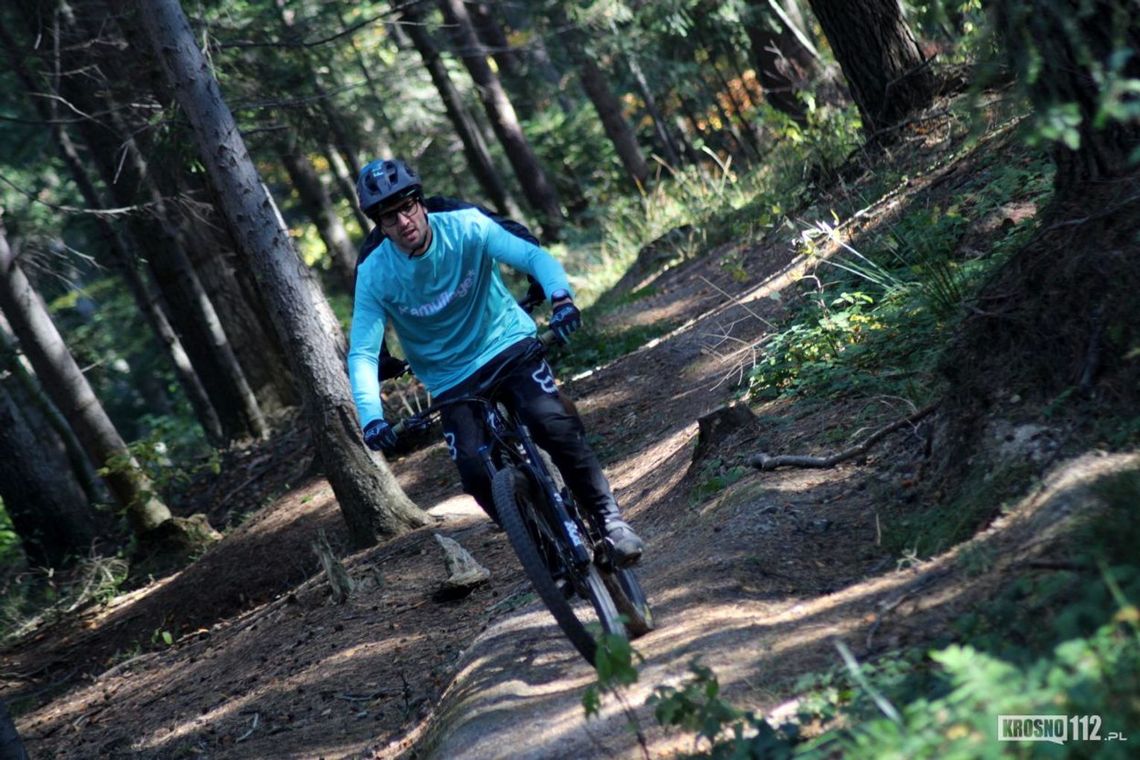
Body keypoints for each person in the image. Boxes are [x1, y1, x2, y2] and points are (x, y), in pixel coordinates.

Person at [347, 158, 645, 565]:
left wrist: (560, 296)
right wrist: (371, 416)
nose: (402, 221)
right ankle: (545, 552)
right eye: (388, 216)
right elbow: (364, 351)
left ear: (421, 202)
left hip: (506, 344)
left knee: (552, 425)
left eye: (407, 206)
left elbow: (532, 257)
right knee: (474, 472)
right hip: (451, 380)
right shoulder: (374, 270)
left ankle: (611, 521)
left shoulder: (464, 224)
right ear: (378, 224)